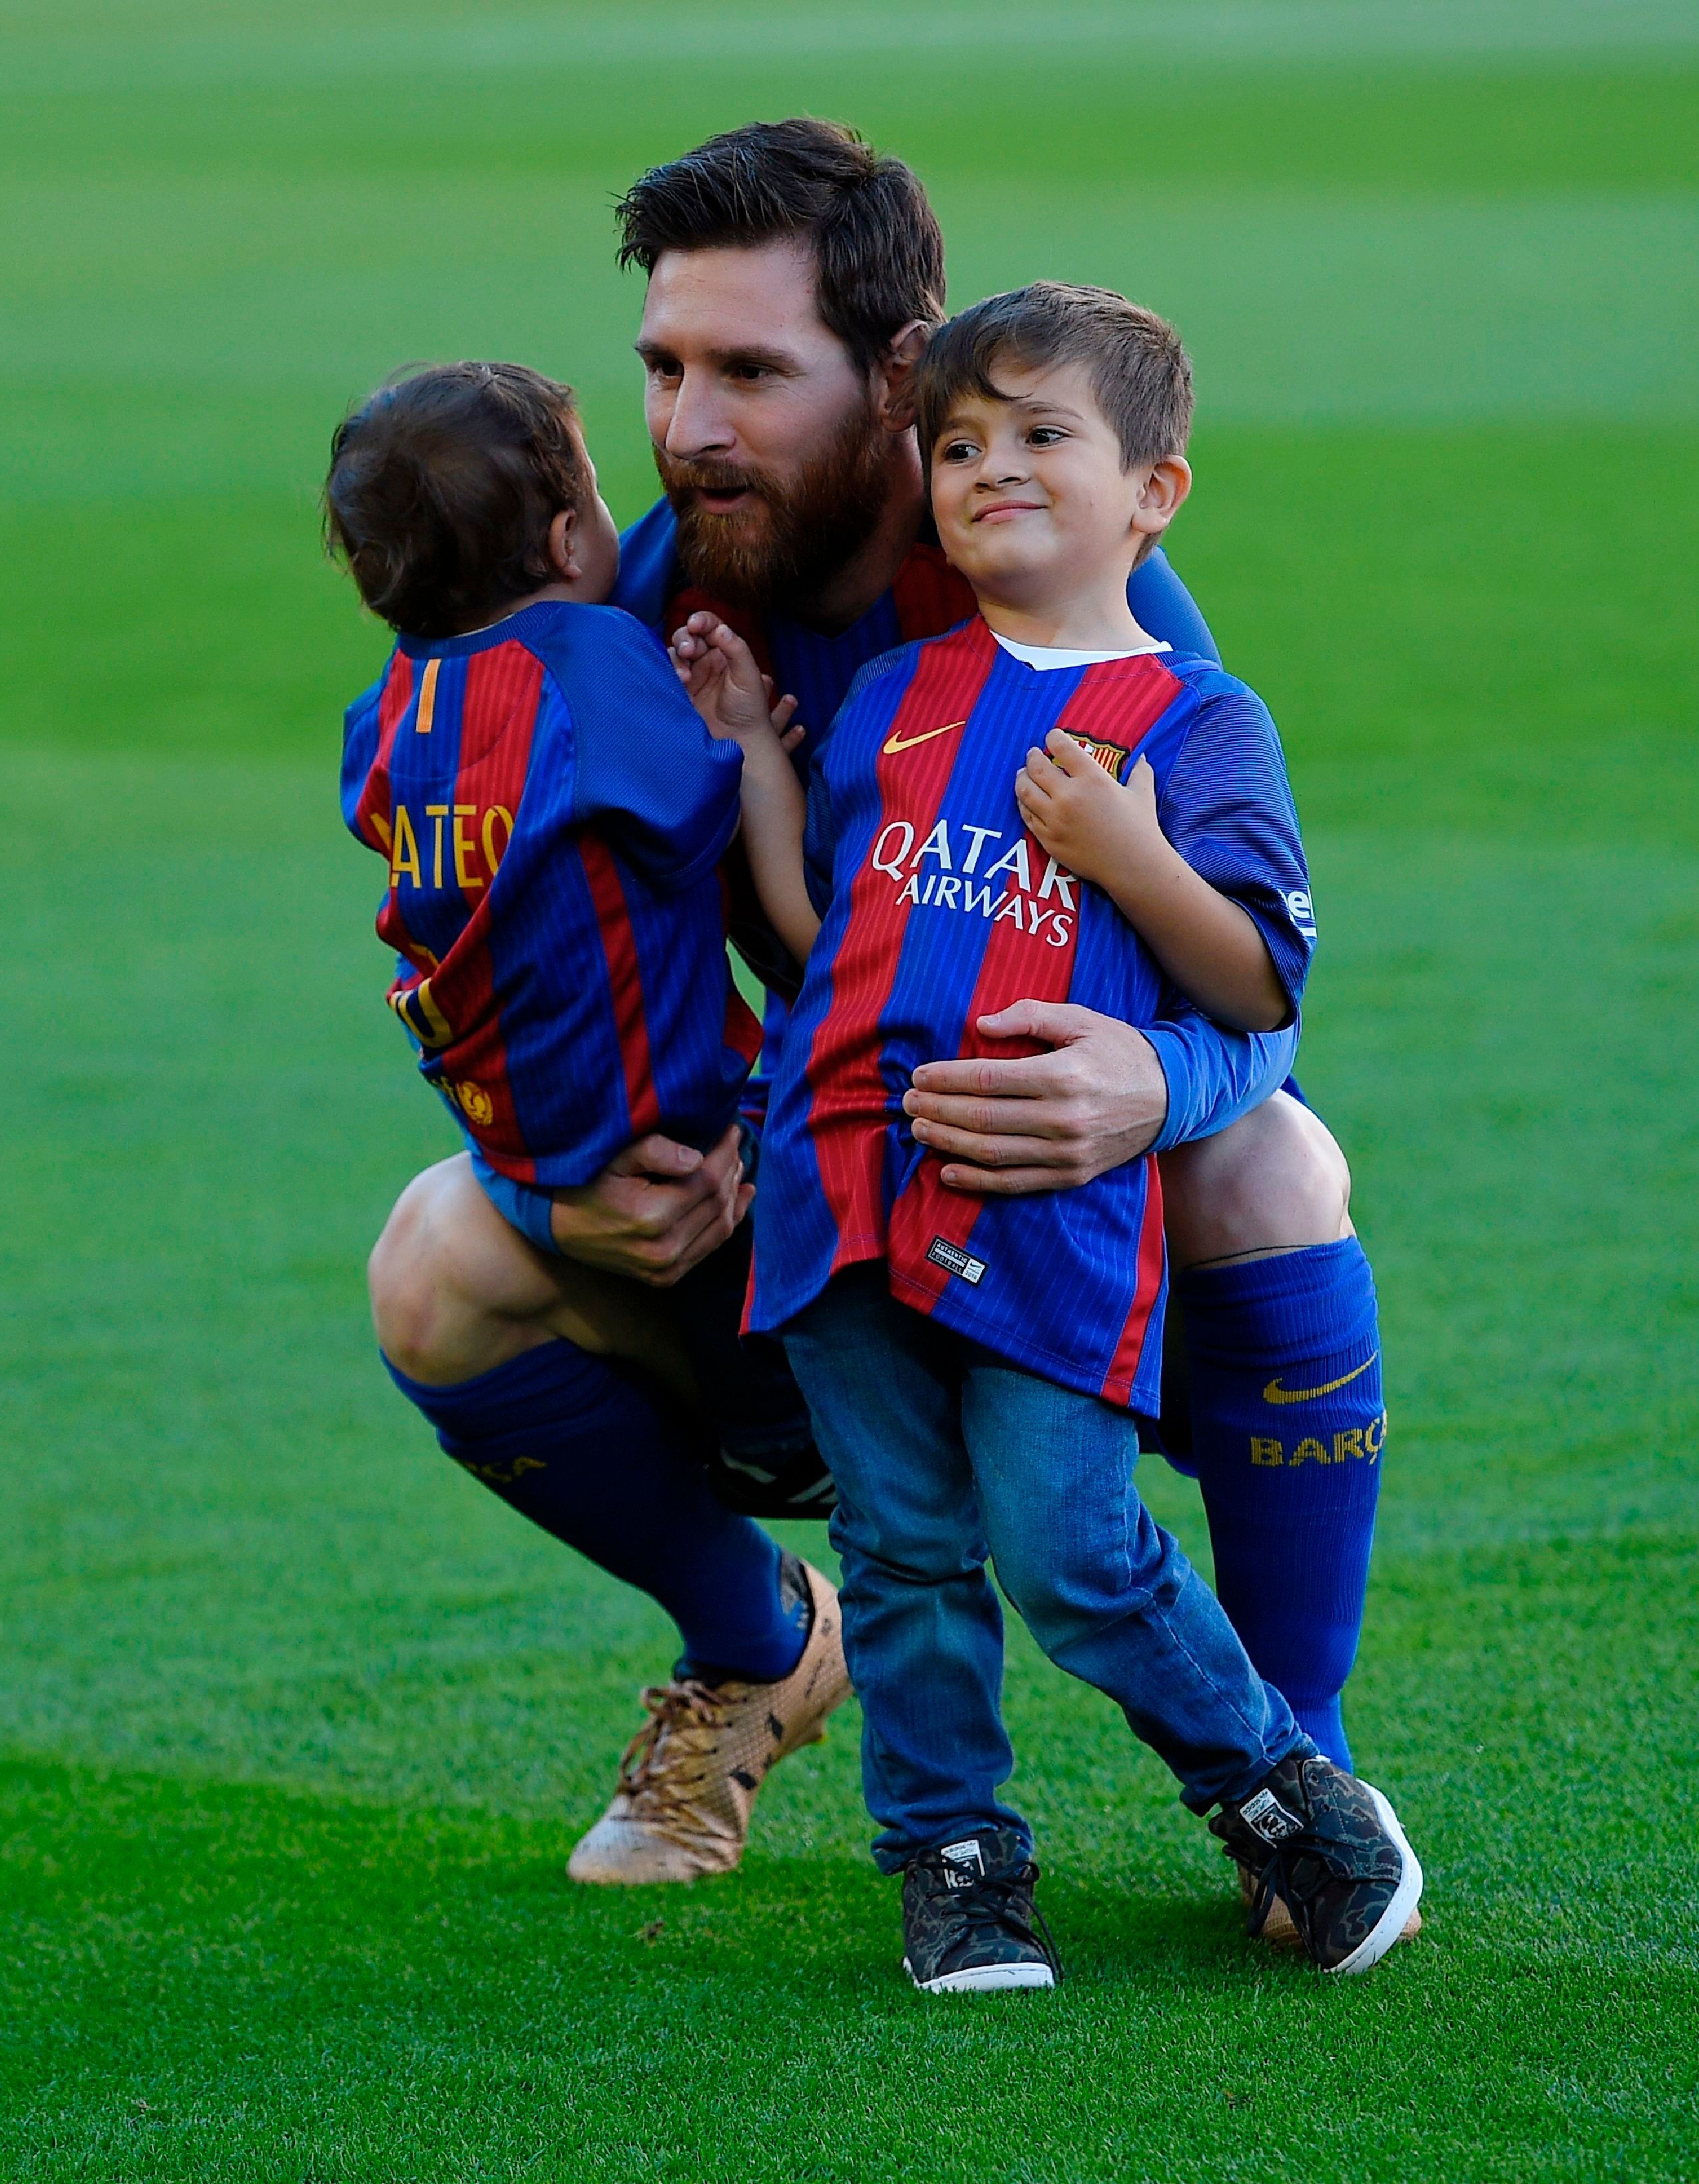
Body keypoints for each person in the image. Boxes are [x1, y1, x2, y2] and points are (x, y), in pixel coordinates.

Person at [367, 121, 1394, 1900]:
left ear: (901, 375)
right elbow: (487, 940)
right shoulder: (627, 614)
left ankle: (1295, 1758)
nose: (686, 429)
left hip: (1035, 1191)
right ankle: (758, 1650)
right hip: (805, 1188)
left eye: (751, 373)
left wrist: (1158, 1078)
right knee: (436, 1261)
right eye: (665, 368)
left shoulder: (1078, 594)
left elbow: (1261, 969)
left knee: (1275, 1167)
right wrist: (566, 1164)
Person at [694, 278, 1420, 1988]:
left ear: (1152, 491)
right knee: (902, 1552)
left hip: (1049, 1210)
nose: (990, 467)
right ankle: (954, 1860)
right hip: (846, 1189)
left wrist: (1124, 849)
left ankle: (1277, 1789)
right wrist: (751, 757)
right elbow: (820, 931)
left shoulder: (1195, 720)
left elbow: (1256, 980)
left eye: (1041, 437)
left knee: (1067, 1543)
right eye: (959, 444)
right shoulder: (892, 692)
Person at [324, 360, 853, 1885]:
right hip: (720, 1164)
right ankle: (839, 1688)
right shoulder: (594, 665)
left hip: (550, 1162)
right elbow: (730, 858)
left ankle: (772, 1626)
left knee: (448, 1255)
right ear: (568, 538)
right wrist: (751, 738)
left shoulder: (390, 714)